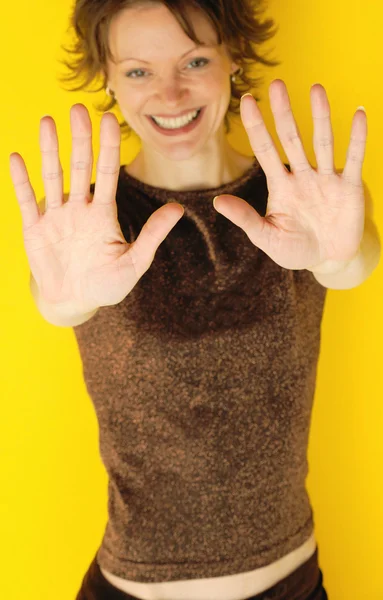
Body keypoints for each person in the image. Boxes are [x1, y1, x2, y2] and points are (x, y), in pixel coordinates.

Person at [12, 0, 376, 598]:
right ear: (107, 76)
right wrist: (62, 300)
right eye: (138, 71)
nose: (171, 94)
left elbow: (355, 259)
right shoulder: (85, 224)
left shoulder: (306, 197)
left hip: (293, 584)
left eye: (194, 60)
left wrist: (342, 258)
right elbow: (57, 301)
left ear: (232, 57)